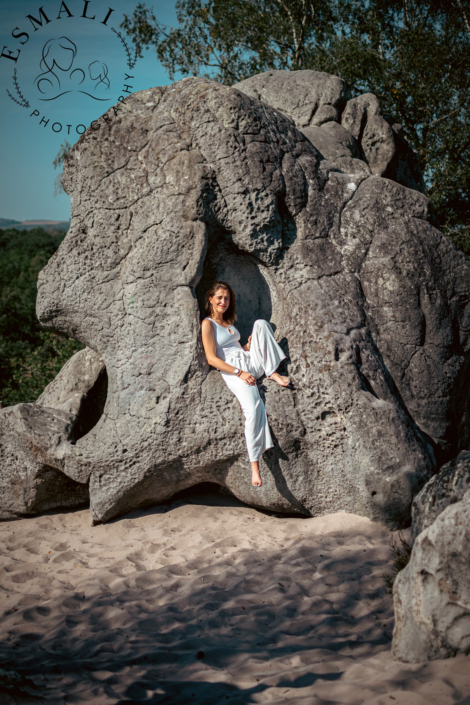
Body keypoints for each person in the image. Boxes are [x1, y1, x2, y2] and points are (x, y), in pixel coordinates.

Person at [201, 281, 291, 488]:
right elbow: (212, 358)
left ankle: (272, 372)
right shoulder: (208, 324)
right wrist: (239, 373)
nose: (223, 301)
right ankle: (255, 466)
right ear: (211, 299)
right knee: (253, 409)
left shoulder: (228, 322)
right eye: (220, 298)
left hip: (248, 360)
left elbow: (236, 348)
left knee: (261, 324)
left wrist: (249, 345)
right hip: (233, 371)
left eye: (227, 298)